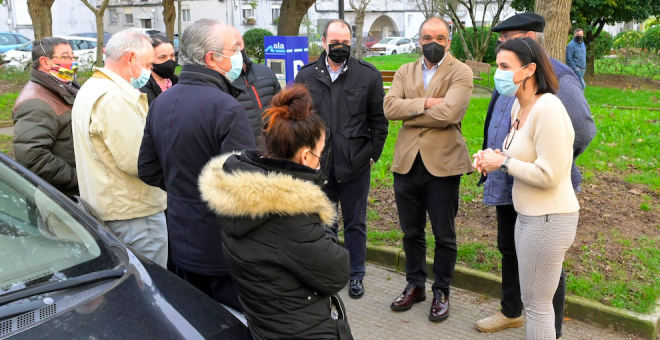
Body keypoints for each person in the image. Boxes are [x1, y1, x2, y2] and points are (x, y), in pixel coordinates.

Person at [199, 84, 353, 340]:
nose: (321, 160)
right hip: (303, 331)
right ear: (306, 157)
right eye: (321, 153)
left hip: (266, 324)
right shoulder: (291, 217)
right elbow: (337, 272)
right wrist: (317, 214)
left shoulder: (237, 195)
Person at [476, 13, 596, 340]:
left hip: (548, 210)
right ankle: (511, 313)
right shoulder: (518, 100)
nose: (498, 73)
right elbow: (509, 138)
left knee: (541, 298)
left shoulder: (552, 96)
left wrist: (544, 159)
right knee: (526, 284)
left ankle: (550, 333)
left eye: (504, 61)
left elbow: (578, 136)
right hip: (522, 202)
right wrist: (492, 157)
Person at [138, 19, 255, 312]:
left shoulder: (160, 103)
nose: (241, 53)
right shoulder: (227, 108)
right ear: (211, 58)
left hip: (181, 239)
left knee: (194, 319)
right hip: (223, 248)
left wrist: (185, 191)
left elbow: (149, 170)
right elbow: (243, 187)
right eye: (235, 48)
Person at [383, 16, 474, 321]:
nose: (432, 43)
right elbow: (388, 107)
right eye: (426, 37)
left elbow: (451, 112)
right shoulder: (404, 70)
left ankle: (442, 290)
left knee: (444, 234)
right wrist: (429, 103)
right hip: (407, 162)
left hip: (444, 165)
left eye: (439, 38)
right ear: (418, 40)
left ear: (448, 41)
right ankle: (415, 285)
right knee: (411, 232)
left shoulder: (461, 71)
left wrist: (412, 109)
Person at [294, 19, 389, 299]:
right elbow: (297, 120)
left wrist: (372, 156)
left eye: (345, 43)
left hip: (356, 164)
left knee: (355, 223)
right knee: (324, 223)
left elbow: (378, 123)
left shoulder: (368, 75)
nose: (340, 47)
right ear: (323, 42)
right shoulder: (306, 76)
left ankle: (356, 273)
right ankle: (329, 272)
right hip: (318, 165)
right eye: (335, 43)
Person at [72, 29, 168, 267]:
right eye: (147, 64)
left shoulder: (91, 88)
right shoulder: (115, 98)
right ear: (130, 58)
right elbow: (138, 160)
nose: (149, 70)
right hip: (135, 211)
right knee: (150, 283)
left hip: (113, 205)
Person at [13, 37, 80, 198]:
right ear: (45, 62)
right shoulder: (36, 102)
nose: (72, 62)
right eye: (65, 57)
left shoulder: (64, 89)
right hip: (60, 197)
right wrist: (78, 178)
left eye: (72, 56)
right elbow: (33, 157)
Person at [231, 31, 281, 149]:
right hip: (244, 152)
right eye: (232, 48)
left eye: (239, 44)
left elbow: (282, 107)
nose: (238, 49)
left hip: (273, 148)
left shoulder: (266, 72)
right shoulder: (223, 80)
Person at [140, 34, 178, 104]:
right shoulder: (141, 89)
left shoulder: (179, 83)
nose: (169, 61)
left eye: (172, 56)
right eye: (162, 57)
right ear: (148, 59)